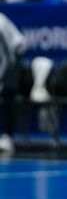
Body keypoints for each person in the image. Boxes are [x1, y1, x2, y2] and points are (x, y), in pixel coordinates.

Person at [0, 12, 26, 154]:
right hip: (3, 60)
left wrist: (2, 78)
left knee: (7, 94)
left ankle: (8, 137)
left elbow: (8, 57)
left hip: (15, 54)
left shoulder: (0, 25)